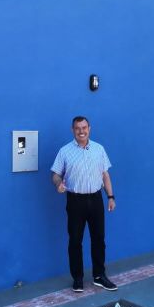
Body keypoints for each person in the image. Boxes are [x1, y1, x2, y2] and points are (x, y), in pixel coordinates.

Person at [50, 116, 117, 292]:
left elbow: (105, 175)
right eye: (77, 128)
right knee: (75, 241)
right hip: (75, 201)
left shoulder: (99, 149)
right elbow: (55, 174)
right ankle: (78, 278)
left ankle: (99, 276)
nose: (81, 131)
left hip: (96, 199)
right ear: (72, 130)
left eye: (84, 127)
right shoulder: (65, 151)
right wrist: (58, 184)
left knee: (99, 239)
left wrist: (110, 197)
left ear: (89, 128)